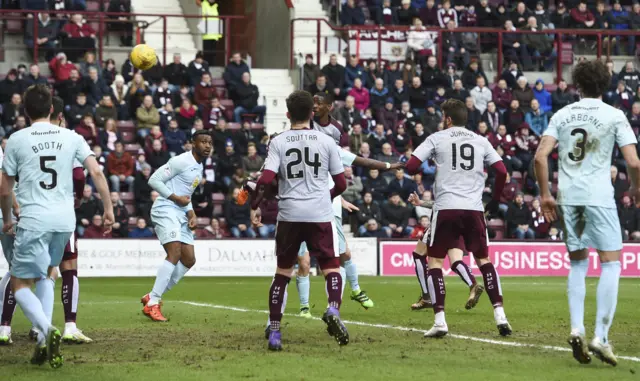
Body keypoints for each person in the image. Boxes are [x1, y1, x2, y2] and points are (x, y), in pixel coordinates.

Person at [534, 59, 640, 366]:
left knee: (578, 263)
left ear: (577, 85)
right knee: (610, 263)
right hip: (599, 197)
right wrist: (635, 189)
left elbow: (541, 157)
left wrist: (545, 194)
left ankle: (577, 327)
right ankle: (601, 337)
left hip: (568, 198)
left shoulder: (562, 114)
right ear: (605, 85)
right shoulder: (614, 115)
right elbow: (633, 163)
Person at [0, 84, 113, 367]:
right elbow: (96, 171)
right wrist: (108, 208)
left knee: (19, 282)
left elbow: (4, 189)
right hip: (65, 221)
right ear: (53, 109)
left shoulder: (16, 139)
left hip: (34, 218)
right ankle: (42, 340)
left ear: (25, 111)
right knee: (49, 274)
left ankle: (46, 330)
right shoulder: (72, 136)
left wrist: (7, 220)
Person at [249, 90, 348, 351]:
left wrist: (255, 205)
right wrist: (325, 197)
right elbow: (341, 183)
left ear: (288, 114)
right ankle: (333, 310)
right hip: (319, 213)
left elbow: (266, 179)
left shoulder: (279, 141)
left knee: (283, 273)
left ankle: (275, 332)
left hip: (290, 214)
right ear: (312, 113)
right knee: (331, 267)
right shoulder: (327, 141)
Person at [290, 93, 403, 318]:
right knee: (303, 262)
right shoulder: (294, 141)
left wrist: (337, 197)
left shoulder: (330, 144)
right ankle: (304, 307)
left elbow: (358, 161)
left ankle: (350, 294)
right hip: (301, 207)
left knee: (341, 256)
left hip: (326, 206)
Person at [405, 99, 511, 338]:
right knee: (484, 261)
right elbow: (502, 171)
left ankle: (440, 320)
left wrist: (427, 162)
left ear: (448, 118)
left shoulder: (437, 138)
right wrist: (494, 200)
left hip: (445, 208)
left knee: (434, 262)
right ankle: (500, 316)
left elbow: (412, 167)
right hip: (474, 209)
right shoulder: (481, 141)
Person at [140, 130, 212, 322]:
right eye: (203, 142)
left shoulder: (199, 166)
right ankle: (153, 303)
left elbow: (185, 194)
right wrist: (175, 198)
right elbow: (153, 180)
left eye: (209, 143)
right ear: (193, 143)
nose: (207, 146)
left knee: (189, 259)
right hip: (165, 208)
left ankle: (152, 294)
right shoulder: (180, 161)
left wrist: (191, 212)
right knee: (175, 253)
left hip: (180, 212)